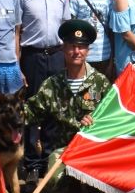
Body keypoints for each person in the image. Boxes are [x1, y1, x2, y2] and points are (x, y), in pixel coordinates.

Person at [23, 19, 111, 179]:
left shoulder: (101, 83)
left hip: (91, 151)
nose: (76, 51)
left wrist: (96, 122)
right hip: (62, 152)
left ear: (88, 50)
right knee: (55, 181)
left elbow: (113, 119)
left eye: (81, 46)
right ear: (63, 49)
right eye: (71, 46)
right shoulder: (52, 84)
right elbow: (30, 113)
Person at [16, 0, 72, 182]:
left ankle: (49, 161)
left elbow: (67, 28)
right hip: (33, 57)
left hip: (57, 55)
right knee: (32, 111)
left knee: (54, 111)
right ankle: (31, 166)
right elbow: (17, 33)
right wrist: (18, 66)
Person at [70, 0, 114, 79]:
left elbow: (110, 30)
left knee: (103, 95)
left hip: (105, 55)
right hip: (85, 55)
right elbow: (73, 30)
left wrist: (112, 58)